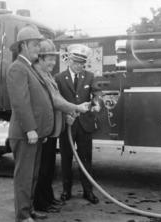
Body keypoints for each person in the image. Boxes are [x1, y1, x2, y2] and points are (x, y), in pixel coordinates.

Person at [32, 39, 90, 213]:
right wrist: (76, 108)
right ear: (40, 59)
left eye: (54, 59)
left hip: (52, 129)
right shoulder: (38, 74)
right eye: (49, 59)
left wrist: (66, 115)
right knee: (42, 170)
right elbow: (56, 101)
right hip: (43, 129)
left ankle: (48, 199)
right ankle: (41, 203)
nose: (52, 62)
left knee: (48, 168)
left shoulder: (48, 75)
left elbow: (55, 102)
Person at [6, 25, 54, 222]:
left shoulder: (28, 68)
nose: (39, 49)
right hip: (26, 134)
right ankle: (23, 215)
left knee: (32, 175)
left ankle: (29, 209)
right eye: (35, 45)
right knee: (24, 177)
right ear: (24, 45)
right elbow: (20, 102)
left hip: (34, 134)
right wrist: (31, 129)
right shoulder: (17, 68)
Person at [55, 44, 101, 204]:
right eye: (76, 62)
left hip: (84, 125)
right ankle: (66, 191)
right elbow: (57, 101)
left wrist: (97, 102)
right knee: (66, 158)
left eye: (82, 62)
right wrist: (64, 115)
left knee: (85, 159)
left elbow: (95, 93)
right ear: (69, 61)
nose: (79, 65)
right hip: (67, 125)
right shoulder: (59, 78)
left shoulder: (89, 76)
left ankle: (88, 191)